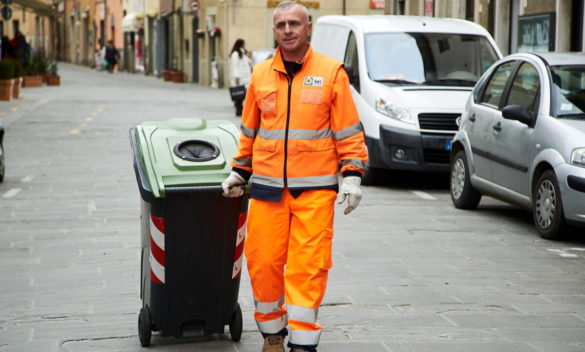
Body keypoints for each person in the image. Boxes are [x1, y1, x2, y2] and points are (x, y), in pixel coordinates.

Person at [221, 2, 368, 352]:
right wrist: (238, 172)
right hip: (268, 190)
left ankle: (303, 343)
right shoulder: (259, 75)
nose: (288, 30)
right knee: (263, 263)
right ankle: (273, 334)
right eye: (281, 24)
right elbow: (250, 132)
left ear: (309, 28)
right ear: (275, 30)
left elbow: (347, 130)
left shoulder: (332, 72)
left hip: (315, 191)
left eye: (294, 24)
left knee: (308, 267)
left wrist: (352, 175)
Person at [229, 38, 252, 116]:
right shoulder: (235, 54)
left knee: (244, 95)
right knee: (239, 95)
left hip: (246, 78)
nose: (244, 45)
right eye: (243, 44)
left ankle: (241, 109)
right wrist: (237, 77)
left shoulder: (242, 53)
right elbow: (234, 66)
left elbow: (248, 61)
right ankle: (239, 110)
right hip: (240, 78)